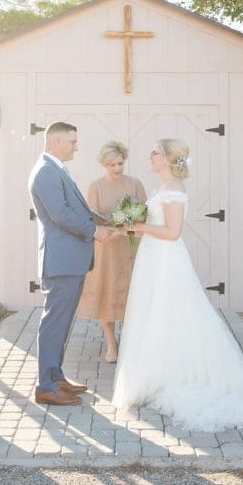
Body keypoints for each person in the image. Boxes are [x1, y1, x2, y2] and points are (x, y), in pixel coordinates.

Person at [112, 139, 243, 432]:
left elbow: (173, 232)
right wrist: (132, 227)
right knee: (156, 314)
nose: (150, 156)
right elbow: (159, 229)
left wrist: (137, 227)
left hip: (167, 260)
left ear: (167, 159)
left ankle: (172, 374)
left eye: (155, 153)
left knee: (170, 311)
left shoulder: (174, 193)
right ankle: (156, 371)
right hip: (154, 257)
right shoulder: (163, 190)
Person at [28, 121, 113, 406]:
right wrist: (95, 232)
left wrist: (105, 221)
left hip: (70, 262)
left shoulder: (55, 170)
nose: (77, 146)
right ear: (56, 142)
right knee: (54, 324)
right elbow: (61, 215)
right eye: (72, 142)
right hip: (61, 262)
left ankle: (56, 376)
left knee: (62, 323)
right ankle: (46, 386)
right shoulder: (45, 173)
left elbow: (76, 208)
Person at [77, 141, 147, 364]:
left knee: (130, 293)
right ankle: (111, 343)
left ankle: (129, 341)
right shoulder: (95, 186)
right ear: (103, 164)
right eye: (111, 165)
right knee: (107, 294)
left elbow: (145, 215)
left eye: (120, 163)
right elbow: (92, 217)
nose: (117, 168)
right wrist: (106, 227)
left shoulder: (135, 184)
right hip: (106, 248)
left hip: (130, 247)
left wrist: (128, 225)